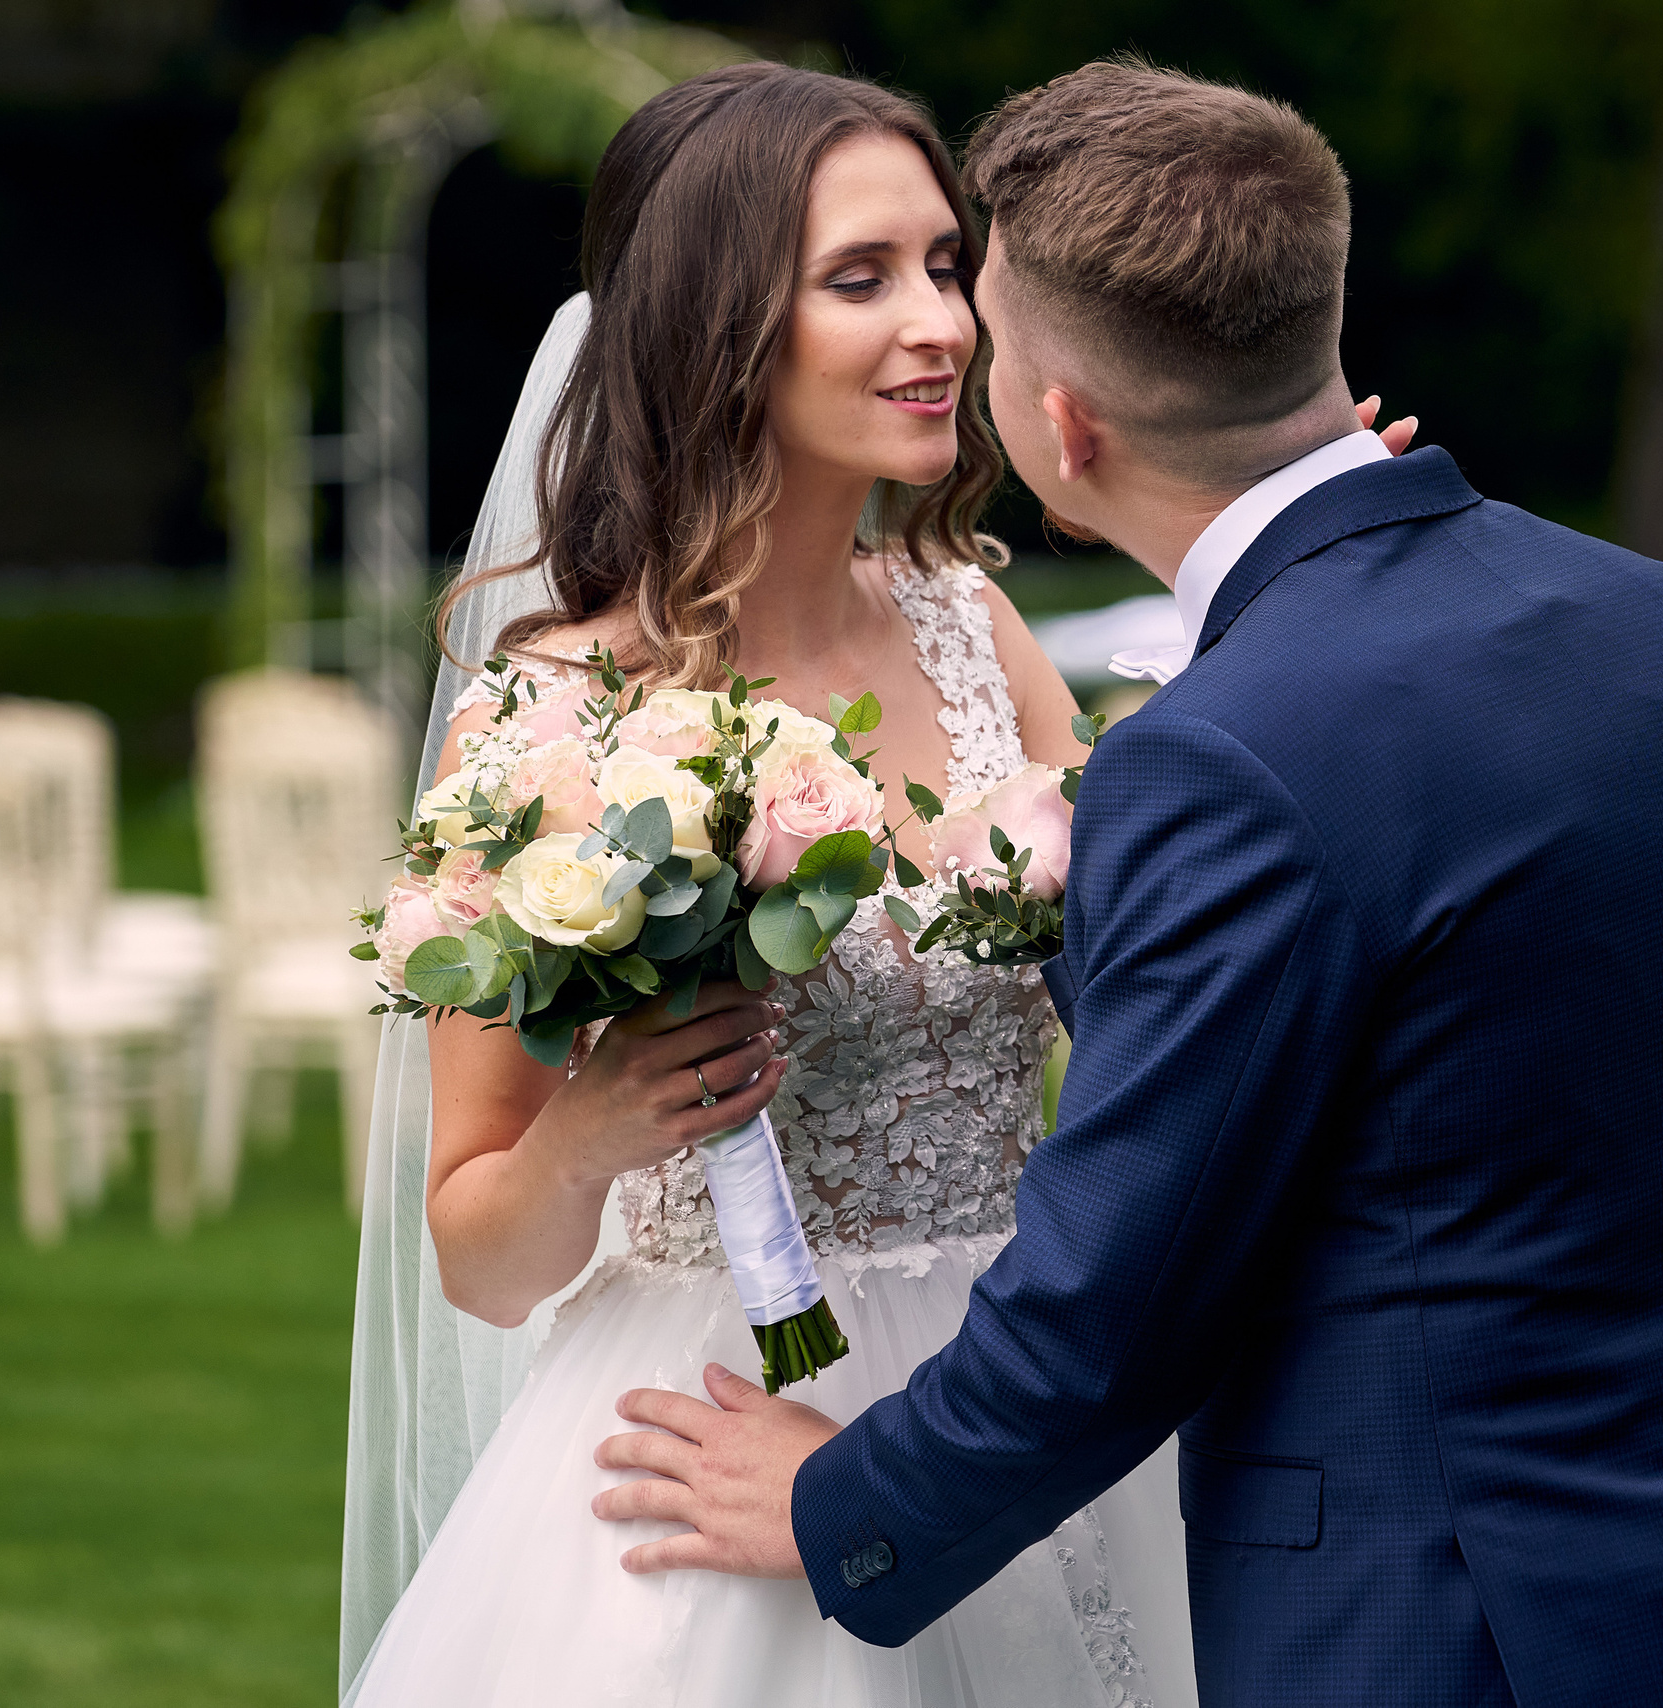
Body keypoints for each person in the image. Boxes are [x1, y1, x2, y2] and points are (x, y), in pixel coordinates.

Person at [594, 59, 1663, 1708]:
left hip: (1444, 1636)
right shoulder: (1657, 628)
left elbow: (1105, 1314)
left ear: (1065, 425)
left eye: (975, 315)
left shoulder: (1229, 759)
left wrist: (828, 1501)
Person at [341, 60, 1247, 1708]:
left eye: (948, 267)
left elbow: (1142, 982)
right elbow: (474, 1252)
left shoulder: (970, 626)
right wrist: (591, 1140)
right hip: (712, 1425)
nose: (943, 325)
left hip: (1012, 1390)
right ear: (716, 327)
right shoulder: (559, 719)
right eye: (863, 279)